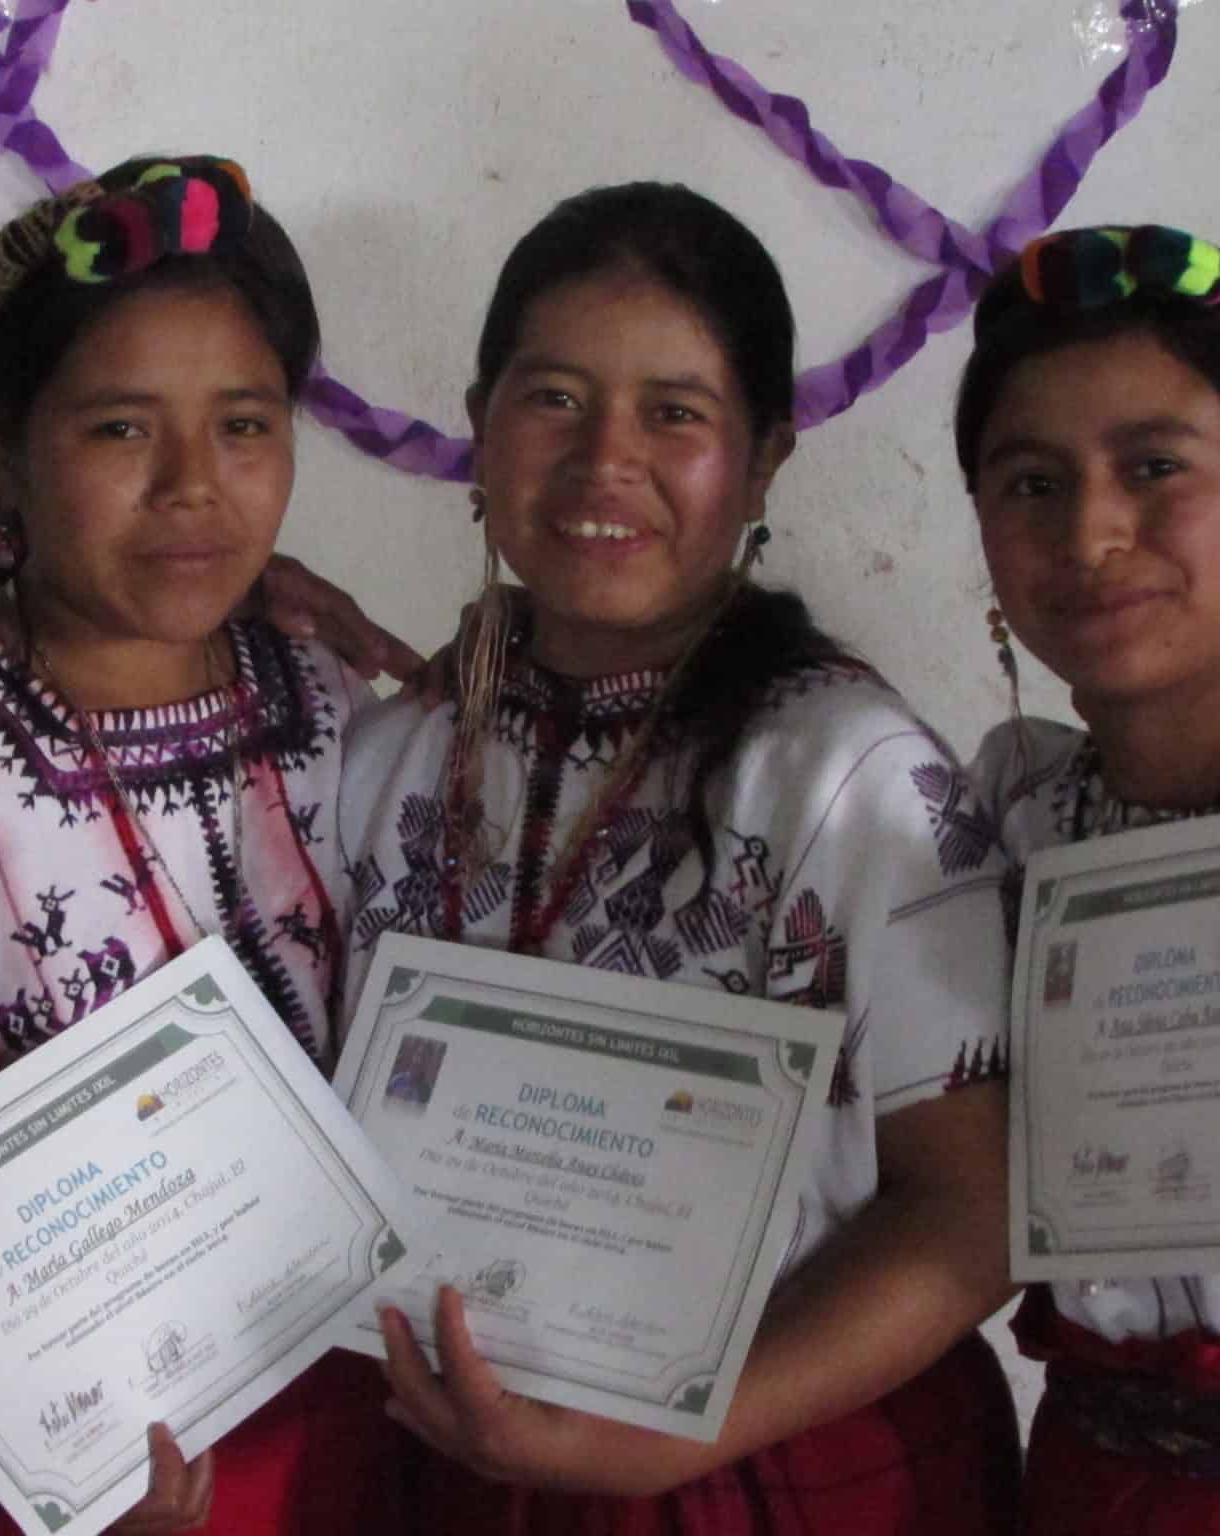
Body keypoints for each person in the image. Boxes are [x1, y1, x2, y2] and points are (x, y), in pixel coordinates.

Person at [339, 180, 1021, 1533]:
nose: (606, 463)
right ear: (477, 427)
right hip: (439, 1461)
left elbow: (972, 1209)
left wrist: (674, 1442)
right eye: (553, 401)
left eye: (676, 413)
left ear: (763, 459)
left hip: (778, 1469)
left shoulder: (848, 773)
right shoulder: (389, 749)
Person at [0, 154, 408, 1533]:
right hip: (25, 1473)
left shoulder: (321, 701)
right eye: (124, 431)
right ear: (12, 451)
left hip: (328, 1434)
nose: (196, 487)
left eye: (246, 426)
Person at [958, 224, 1220, 1533]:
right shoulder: (1013, 813)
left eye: (1154, 468)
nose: (1090, 532)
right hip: (1090, 1486)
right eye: (1030, 483)